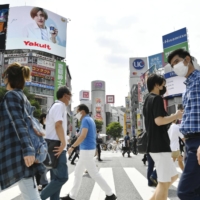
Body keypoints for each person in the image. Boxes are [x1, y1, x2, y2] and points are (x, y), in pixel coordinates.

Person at [0, 62, 45, 199]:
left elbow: (19, 123)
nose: (3, 79)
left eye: (4, 76)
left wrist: (28, 150)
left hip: (16, 151)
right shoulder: (22, 96)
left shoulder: (11, 96)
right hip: (20, 151)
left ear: (8, 77)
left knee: (30, 193)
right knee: (29, 190)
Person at [60, 104, 117, 200]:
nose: (76, 114)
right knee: (78, 173)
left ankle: (110, 194)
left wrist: (73, 147)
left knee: (94, 173)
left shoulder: (85, 120)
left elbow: (83, 136)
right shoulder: (90, 119)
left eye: (77, 112)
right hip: (87, 149)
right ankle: (72, 196)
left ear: (82, 111)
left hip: (86, 150)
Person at [143, 74, 183, 200]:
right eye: (163, 85)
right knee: (164, 183)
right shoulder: (157, 99)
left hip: (154, 144)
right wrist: (175, 116)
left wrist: (171, 117)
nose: (164, 87)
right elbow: (159, 121)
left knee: (172, 177)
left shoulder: (147, 99)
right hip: (160, 145)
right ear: (156, 85)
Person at [168, 48, 200, 199]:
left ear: (187, 59)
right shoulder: (187, 87)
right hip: (190, 143)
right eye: (172, 65)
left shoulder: (199, 80)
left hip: (198, 141)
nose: (174, 67)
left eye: (176, 62)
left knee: (185, 191)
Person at [40, 86, 71, 200]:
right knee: (62, 177)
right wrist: (63, 143)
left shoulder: (55, 106)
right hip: (57, 146)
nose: (70, 99)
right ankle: (38, 198)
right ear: (65, 96)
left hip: (53, 145)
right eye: (70, 96)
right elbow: (58, 125)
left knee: (55, 179)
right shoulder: (59, 106)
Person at [36, 113, 48, 192]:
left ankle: (42, 183)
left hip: (43, 149)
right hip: (38, 148)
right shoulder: (38, 125)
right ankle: (42, 183)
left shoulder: (44, 126)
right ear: (44, 118)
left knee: (42, 167)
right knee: (40, 167)